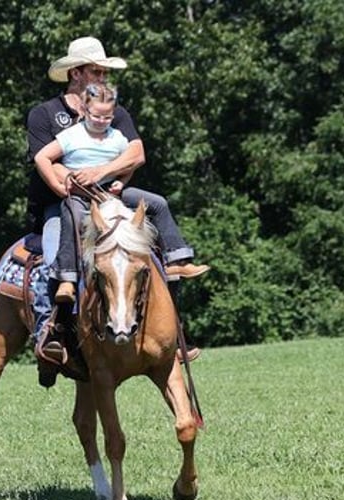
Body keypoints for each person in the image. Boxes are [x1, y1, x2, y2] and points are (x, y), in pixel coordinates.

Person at [26, 36, 206, 367]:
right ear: (77, 73)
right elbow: (44, 161)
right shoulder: (45, 115)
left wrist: (102, 172)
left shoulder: (113, 111)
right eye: (97, 71)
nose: (103, 78)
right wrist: (66, 187)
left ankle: (175, 332)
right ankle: (52, 335)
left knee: (143, 257)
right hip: (61, 206)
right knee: (52, 257)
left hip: (112, 199)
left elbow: (135, 153)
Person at [34, 82, 209, 303]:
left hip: (111, 192)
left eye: (107, 117)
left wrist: (122, 181)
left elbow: (131, 162)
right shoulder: (72, 135)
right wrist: (58, 187)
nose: (101, 122)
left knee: (157, 203)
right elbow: (42, 157)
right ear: (85, 111)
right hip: (80, 193)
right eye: (96, 116)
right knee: (71, 214)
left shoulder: (116, 137)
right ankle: (67, 277)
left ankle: (176, 261)